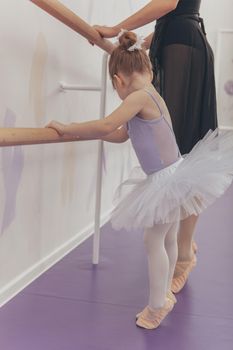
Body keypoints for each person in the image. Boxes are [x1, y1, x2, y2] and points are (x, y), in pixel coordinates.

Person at [46, 31, 233, 330]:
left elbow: (108, 124)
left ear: (118, 80)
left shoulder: (139, 96)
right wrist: (86, 134)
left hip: (166, 180)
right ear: (148, 69)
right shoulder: (150, 94)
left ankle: (157, 305)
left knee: (153, 239)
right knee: (167, 237)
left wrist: (69, 128)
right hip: (174, 175)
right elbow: (121, 134)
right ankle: (164, 297)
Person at [92, 0, 218, 293]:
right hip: (178, 41)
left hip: (181, 47)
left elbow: (168, 3)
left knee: (183, 148)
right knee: (181, 147)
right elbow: (174, 11)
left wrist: (115, 29)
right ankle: (184, 241)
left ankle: (184, 251)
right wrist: (143, 43)